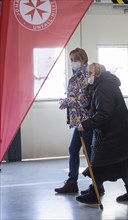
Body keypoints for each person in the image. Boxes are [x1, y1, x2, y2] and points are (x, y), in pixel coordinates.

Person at [76, 63, 128, 205]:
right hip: (118, 133)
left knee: (98, 164)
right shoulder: (103, 85)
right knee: (121, 165)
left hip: (112, 135)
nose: (88, 76)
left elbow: (104, 113)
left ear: (98, 73)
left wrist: (85, 125)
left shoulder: (103, 87)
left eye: (90, 73)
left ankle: (95, 193)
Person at [55, 48, 94, 194]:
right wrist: (67, 101)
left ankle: (97, 185)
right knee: (74, 149)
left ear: (82, 60)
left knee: (89, 152)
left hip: (86, 120)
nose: (72, 63)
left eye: (74, 60)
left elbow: (84, 99)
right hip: (79, 120)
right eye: (71, 60)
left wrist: (67, 101)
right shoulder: (77, 75)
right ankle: (72, 182)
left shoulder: (85, 75)